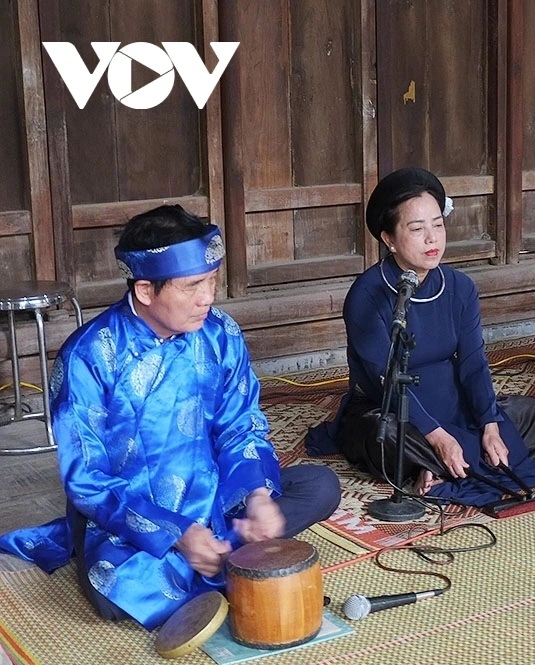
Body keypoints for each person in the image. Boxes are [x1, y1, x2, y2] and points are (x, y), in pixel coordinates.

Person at [0, 205, 341, 630]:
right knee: (115, 589)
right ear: (146, 290)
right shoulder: (89, 355)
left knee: (320, 486)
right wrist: (177, 532)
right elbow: (85, 479)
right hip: (136, 516)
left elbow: (241, 426)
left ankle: (218, 554)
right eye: (193, 285)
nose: (208, 297)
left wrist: (256, 495)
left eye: (212, 280)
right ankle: (226, 559)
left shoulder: (220, 332)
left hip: (217, 496)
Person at [306, 167, 535, 507]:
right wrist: (438, 438)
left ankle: (435, 468)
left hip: (451, 401)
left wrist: (489, 424)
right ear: (389, 239)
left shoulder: (459, 287)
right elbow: (384, 380)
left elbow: (473, 363)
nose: (432, 239)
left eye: (437, 225)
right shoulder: (367, 295)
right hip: (388, 406)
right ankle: (435, 460)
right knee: (387, 436)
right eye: (417, 229)